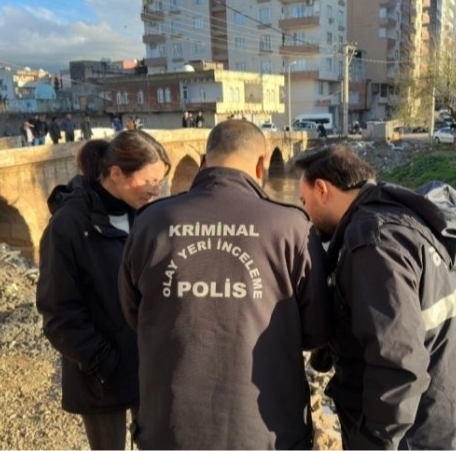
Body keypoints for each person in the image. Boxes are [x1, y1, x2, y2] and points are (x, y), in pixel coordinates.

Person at [119, 119, 331, 450]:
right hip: (266, 431)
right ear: (261, 166)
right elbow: (316, 329)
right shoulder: (292, 227)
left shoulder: (151, 222)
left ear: (204, 162)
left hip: (169, 429)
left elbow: (134, 314)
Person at [294, 144, 456, 451]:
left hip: (420, 437)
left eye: (303, 201)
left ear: (322, 189)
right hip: (453, 424)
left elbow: (398, 366)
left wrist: (370, 444)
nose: (306, 214)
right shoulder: (399, 220)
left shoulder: (373, 243)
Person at [36, 131, 172, 451]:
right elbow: (58, 313)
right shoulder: (69, 225)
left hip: (147, 366)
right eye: (149, 180)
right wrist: (103, 362)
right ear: (116, 174)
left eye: (160, 181)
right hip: (101, 374)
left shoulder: (145, 215)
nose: (156, 190)